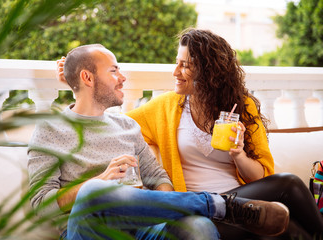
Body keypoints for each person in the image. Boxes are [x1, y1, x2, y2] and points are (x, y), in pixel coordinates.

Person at [28, 44, 290, 240]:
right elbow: (41, 204)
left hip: (143, 229)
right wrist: (101, 181)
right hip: (92, 232)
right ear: (87, 78)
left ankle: (213, 208)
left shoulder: (127, 126)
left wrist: (152, 203)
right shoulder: (50, 129)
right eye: (114, 70)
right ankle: (218, 205)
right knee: (92, 192)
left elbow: (158, 177)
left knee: (198, 226)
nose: (123, 77)